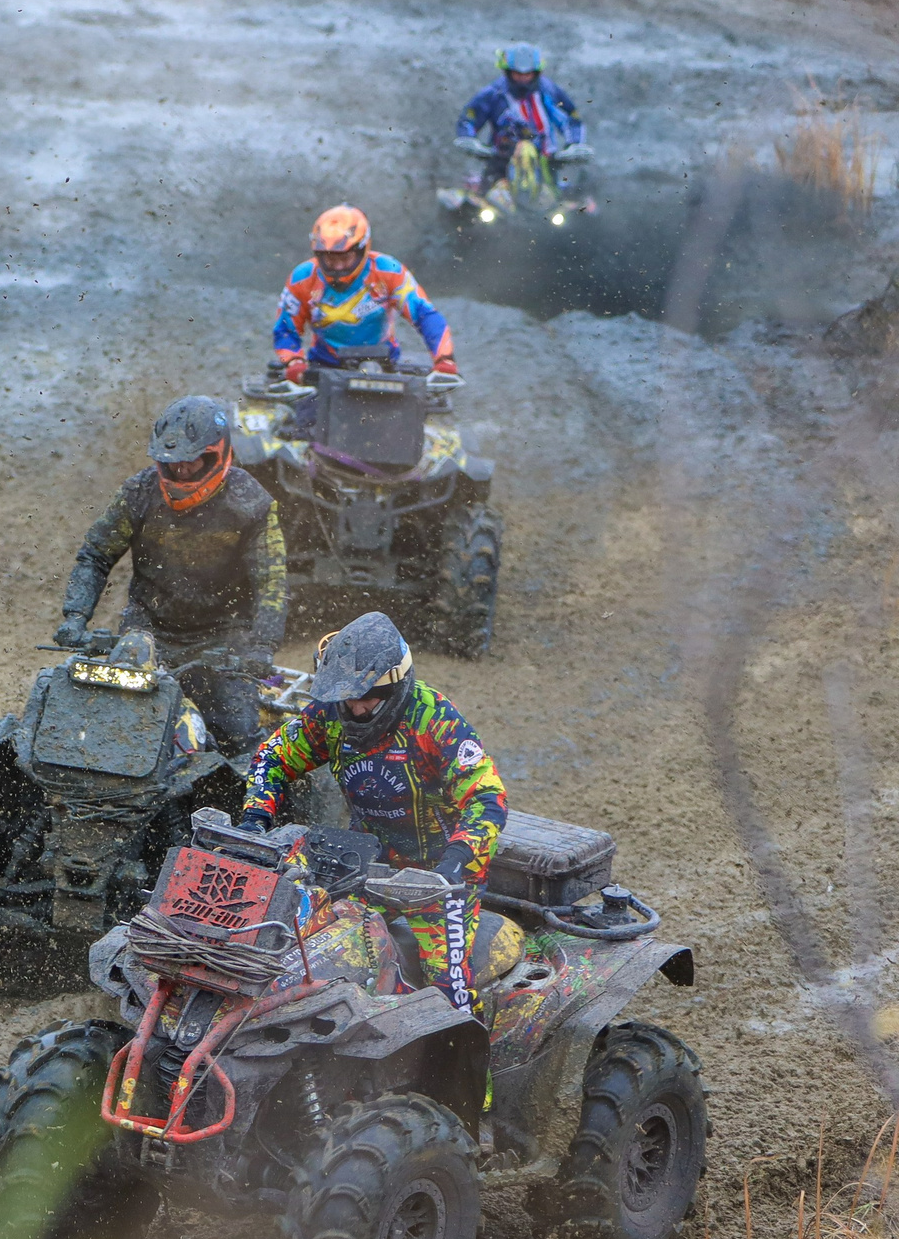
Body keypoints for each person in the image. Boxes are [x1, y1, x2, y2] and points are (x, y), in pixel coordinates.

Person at [237, 613, 508, 1012]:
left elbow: (487, 798)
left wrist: (455, 861)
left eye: (366, 700)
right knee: (311, 956)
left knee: (448, 996)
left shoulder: (435, 720)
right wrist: (254, 820)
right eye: (348, 699)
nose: (356, 710)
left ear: (394, 690)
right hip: (364, 867)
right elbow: (272, 757)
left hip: (439, 879)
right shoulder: (330, 715)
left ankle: (474, 1065)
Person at [57, 395, 288, 758]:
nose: (180, 470)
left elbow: (272, 583)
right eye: (171, 462)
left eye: (190, 460)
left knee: (240, 731)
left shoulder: (252, 505)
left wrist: (261, 647)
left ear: (216, 454)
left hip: (225, 637)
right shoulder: (139, 492)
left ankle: (254, 808)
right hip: (147, 629)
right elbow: (96, 554)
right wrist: (75, 616)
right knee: (116, 720)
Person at [272, 206, 458, 384]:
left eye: (344, 258)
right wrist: (293, 361)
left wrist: (444, 359)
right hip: (324, 366)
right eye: (330, 258)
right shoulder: (302, 277)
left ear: (362, 249)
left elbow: (424, 314)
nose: (337, 266)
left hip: (384, 364)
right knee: (306, 416)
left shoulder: (389, 271)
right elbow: (286, 327)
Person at [454, 42, 590, 190]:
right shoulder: (494, 93)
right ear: (508, 72)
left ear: (536, 73)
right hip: (500, 162)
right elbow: (469, 119)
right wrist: (469, 139)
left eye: (528, 74)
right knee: (477, 200)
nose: (523, 79)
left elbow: (571, 119)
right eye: (518, 74)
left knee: (571, 202)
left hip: (544, 162)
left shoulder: (548, 91)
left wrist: (574, 144)